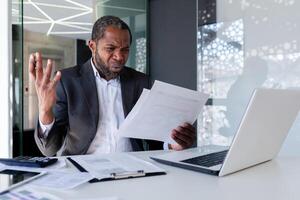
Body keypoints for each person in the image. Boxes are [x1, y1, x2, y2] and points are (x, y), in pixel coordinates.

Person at [29, 15, 196, 156]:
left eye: (125, 50)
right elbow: (50, 150)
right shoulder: (67, 81)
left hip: (133, 170)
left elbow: (153, 140)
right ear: (92, 46)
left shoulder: (141, 82)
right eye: (111, 48)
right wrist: (45, 111)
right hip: (84, 172)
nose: (119, 56)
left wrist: (173, 145)